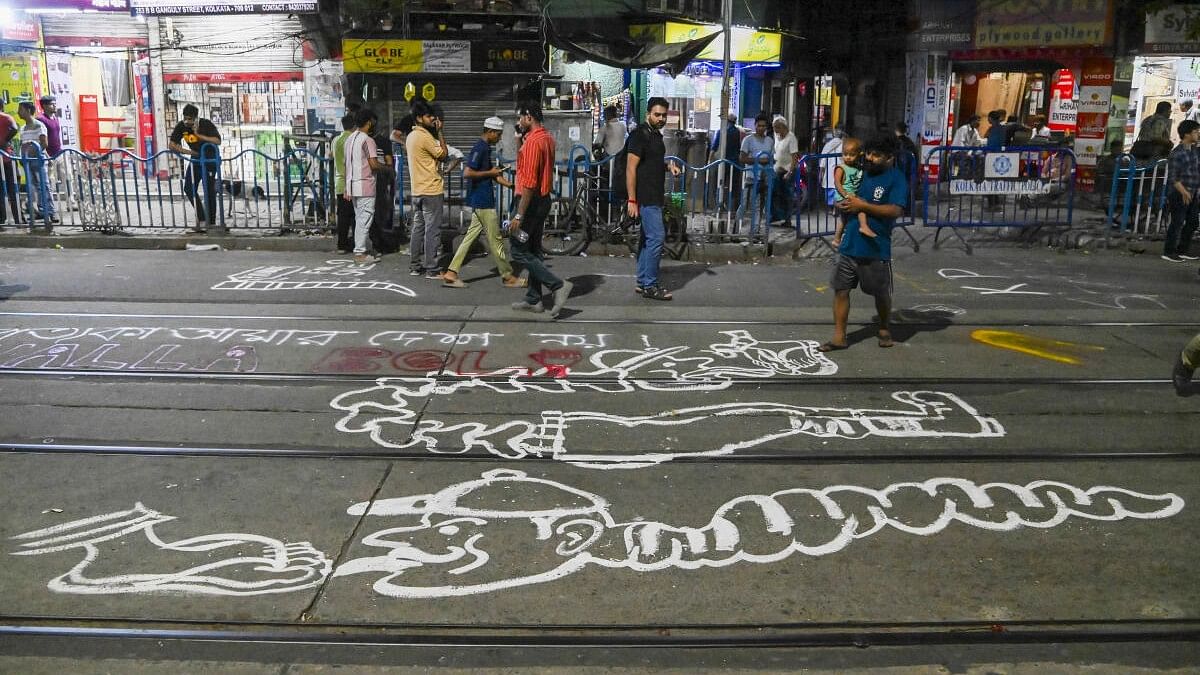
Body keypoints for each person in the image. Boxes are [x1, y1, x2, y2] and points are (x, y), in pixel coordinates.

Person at [819, 133, 908, 353]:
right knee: (841, 290)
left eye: (875, 155)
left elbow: (895, 210)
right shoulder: (862, 173)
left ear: (889, 157)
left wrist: (863, 206)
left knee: (880, 292)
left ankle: (885, 327)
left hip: (875, 248)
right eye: (868, 153)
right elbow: (849, 194)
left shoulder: (897, 179)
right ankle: (839, 337)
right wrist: (845, 205)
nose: (868, 158)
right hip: (849, 244)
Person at [442, 116, 523, 289]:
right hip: (483, 201)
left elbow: (492, 174)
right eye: (499, 134)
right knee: (496, 240)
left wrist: (511, 185)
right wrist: (490, 173)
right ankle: (508, 276)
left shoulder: (485, 147)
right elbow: (468, 173)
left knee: (469, 238)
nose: (500, 138)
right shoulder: (481, 148)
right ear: (491, 132)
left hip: (481, 200)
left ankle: (451, 272)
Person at [509, 102, 572, 318]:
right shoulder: (546, 139)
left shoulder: (534, 143)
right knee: (534, 250)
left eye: (520, 118)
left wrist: (519, 213)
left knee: (518, 248)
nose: (518, 122)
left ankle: (557, 285)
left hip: (530, 202)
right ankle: (534, 299)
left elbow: (529, 183)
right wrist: (519, 140)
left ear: (529, 117)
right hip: (542, 201)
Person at [626, 96, 682, 302]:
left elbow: (652, 162)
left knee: (647, 239)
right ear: (648, 114)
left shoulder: (654, 135)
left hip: (654, 194)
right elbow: (631, 168)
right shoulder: (639, 135)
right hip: (645, 196)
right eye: (657, 114)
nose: (661, 118)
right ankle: (650, 284)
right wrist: (632, 200)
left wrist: (669, 166)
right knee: (657, 238)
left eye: (664, 115)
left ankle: (643, 281)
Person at [405, 100, 449, 278]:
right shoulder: (425, 137)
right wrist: (439, 131)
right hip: (431, 190)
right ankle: (431, 267)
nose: (432, 118)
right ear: (419, 118)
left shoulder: (410, 136)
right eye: (429, 116)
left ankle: (415, 265)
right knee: (432, 230)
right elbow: (443, 154)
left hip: (417, 190)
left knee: (418, 228)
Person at [343, 107, 388, 264]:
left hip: (352, 185)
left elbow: (346, 165)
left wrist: (346, 187)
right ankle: (360, 253)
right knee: (364, 219)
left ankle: (360, 249)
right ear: (369, 122)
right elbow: (374, 165)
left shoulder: (349, 140)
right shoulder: (368, 140)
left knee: (359, 219)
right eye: (373, 122)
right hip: (366, 185)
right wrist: (388, 169)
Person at [169, 103, 221, 233]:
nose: (188, 122)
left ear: (196, 118)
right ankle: (202, 217)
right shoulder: (181, 126)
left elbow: (217, 140)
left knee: (209, 190)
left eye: (190, 119)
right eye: (186, 118)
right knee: (188, 188)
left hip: (209, 160)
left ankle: (211, 222)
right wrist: (190, 153)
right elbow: (172, 144)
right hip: (195, 160)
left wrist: (199, 135)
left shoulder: (206, 124)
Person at [1162, 119, 1200, 263]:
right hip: (1179, 193)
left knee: (1193, 222)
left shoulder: (1194, 151)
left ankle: (1182, 250)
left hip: (1193, 192)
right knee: (1177, 223)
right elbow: (1173, 177)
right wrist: (1184, 192)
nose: (1198, 134)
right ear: (1186, 134)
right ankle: (1168, 251)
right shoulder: (1177, 153)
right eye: (1195, 132)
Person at [17, 101, 57, 228]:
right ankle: (41, 210)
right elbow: (23, 145)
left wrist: (32, 153)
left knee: (43, 186)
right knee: (33, 187)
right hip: (27, 161)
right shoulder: (23, 128)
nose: (18, 112)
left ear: (28, 110)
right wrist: (22, 157)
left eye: (21, 109)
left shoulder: (39, 125)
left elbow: (44, 143)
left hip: (38, 160)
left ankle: (50, 212)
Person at [736, 113, 774, 233]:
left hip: (764, 177)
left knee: (758, 205)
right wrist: (759, 160)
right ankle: (736, 229)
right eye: (759, 125)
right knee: (744, 204)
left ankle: (755, 231)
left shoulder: (770, 141)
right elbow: (742, 158)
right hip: (751, 177)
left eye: (764, 126)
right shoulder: (748, 140)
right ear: (755, 126)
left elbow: (772, 158)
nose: (761, 128)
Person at [832, 137, 873, 241]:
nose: (848, 157)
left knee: (843, 219)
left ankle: (837, 239)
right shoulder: (841, 168)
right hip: (842, 196)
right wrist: (846, 194)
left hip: (850, 195)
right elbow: (837, 183)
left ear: (858, 155)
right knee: (861, 206)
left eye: (852, 155)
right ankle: (863, 226)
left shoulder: (857, 167)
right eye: (845, 155)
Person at [37, 95, 71, 211]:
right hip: (49, 155)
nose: (55, 105)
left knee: (68, 177)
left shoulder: (55, 118)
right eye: (52, 104)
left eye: (55, 103)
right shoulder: (41, 120)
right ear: (45, 106)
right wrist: (47, 157)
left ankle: (70, 202)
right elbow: (40, 140)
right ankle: (49, 207)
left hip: (60, 152)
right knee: (50, 182)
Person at [331, 113, 356, 253]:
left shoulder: (336, 140)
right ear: (354, 125)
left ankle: (342, 244)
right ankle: (351, 243)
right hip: (350, 182)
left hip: (339, 182)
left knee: (343, 216)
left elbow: (332, 156)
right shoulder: (352, 139)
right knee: (353, 216)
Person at [709, 113, 743, 208]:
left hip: (722, 163)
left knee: (719, 184)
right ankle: (731, 208)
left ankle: (718, 205)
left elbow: (714, 147)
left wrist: (709, 160)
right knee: (733, 186)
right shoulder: (737, 132)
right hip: (735, 163)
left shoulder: (721, 131)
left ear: (726, 121)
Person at [771, 115, 800, 224]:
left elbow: (794, 157)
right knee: (777, 194)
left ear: (783, 127)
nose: (775, 130)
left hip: (788, 171)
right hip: (777, 170)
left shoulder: (791, 138)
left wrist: (790, 172)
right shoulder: (777, 137)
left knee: (788, 195)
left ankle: (788, 219)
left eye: (777, 127)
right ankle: (777, 216)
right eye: (774, 127)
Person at [0, 108, 22, 227]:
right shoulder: (6, 117)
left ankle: (2, 219)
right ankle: (18, 218)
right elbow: (14, 128)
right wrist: (4, 141)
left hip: (3, 158)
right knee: (13, 189)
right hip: (7, 158)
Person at [819, 126, 845, 207]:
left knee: (830, 191)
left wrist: (821, 173)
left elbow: (822, 162)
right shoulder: (844, 144)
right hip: (840, 171)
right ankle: (835, 208)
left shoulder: (827, 145)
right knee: (838, 190)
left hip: (828, 173)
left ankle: (832, 208)